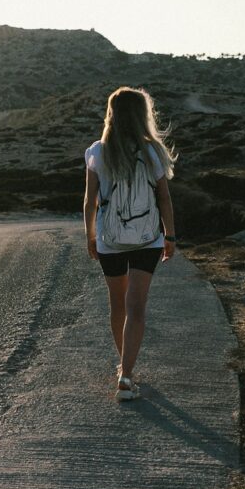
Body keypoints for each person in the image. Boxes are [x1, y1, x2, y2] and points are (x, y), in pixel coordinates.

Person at [83, 87, 177, 401]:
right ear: (142, 116)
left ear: (111, 113)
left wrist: (91, 236)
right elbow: (163, 198)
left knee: (118, 305)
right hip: (148, 239)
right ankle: (126, 374)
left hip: (110, 240)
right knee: (137, 308)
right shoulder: (153, 151)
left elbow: (89, 201)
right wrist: (171, 236)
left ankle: (124, 366)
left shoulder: (97, 151)